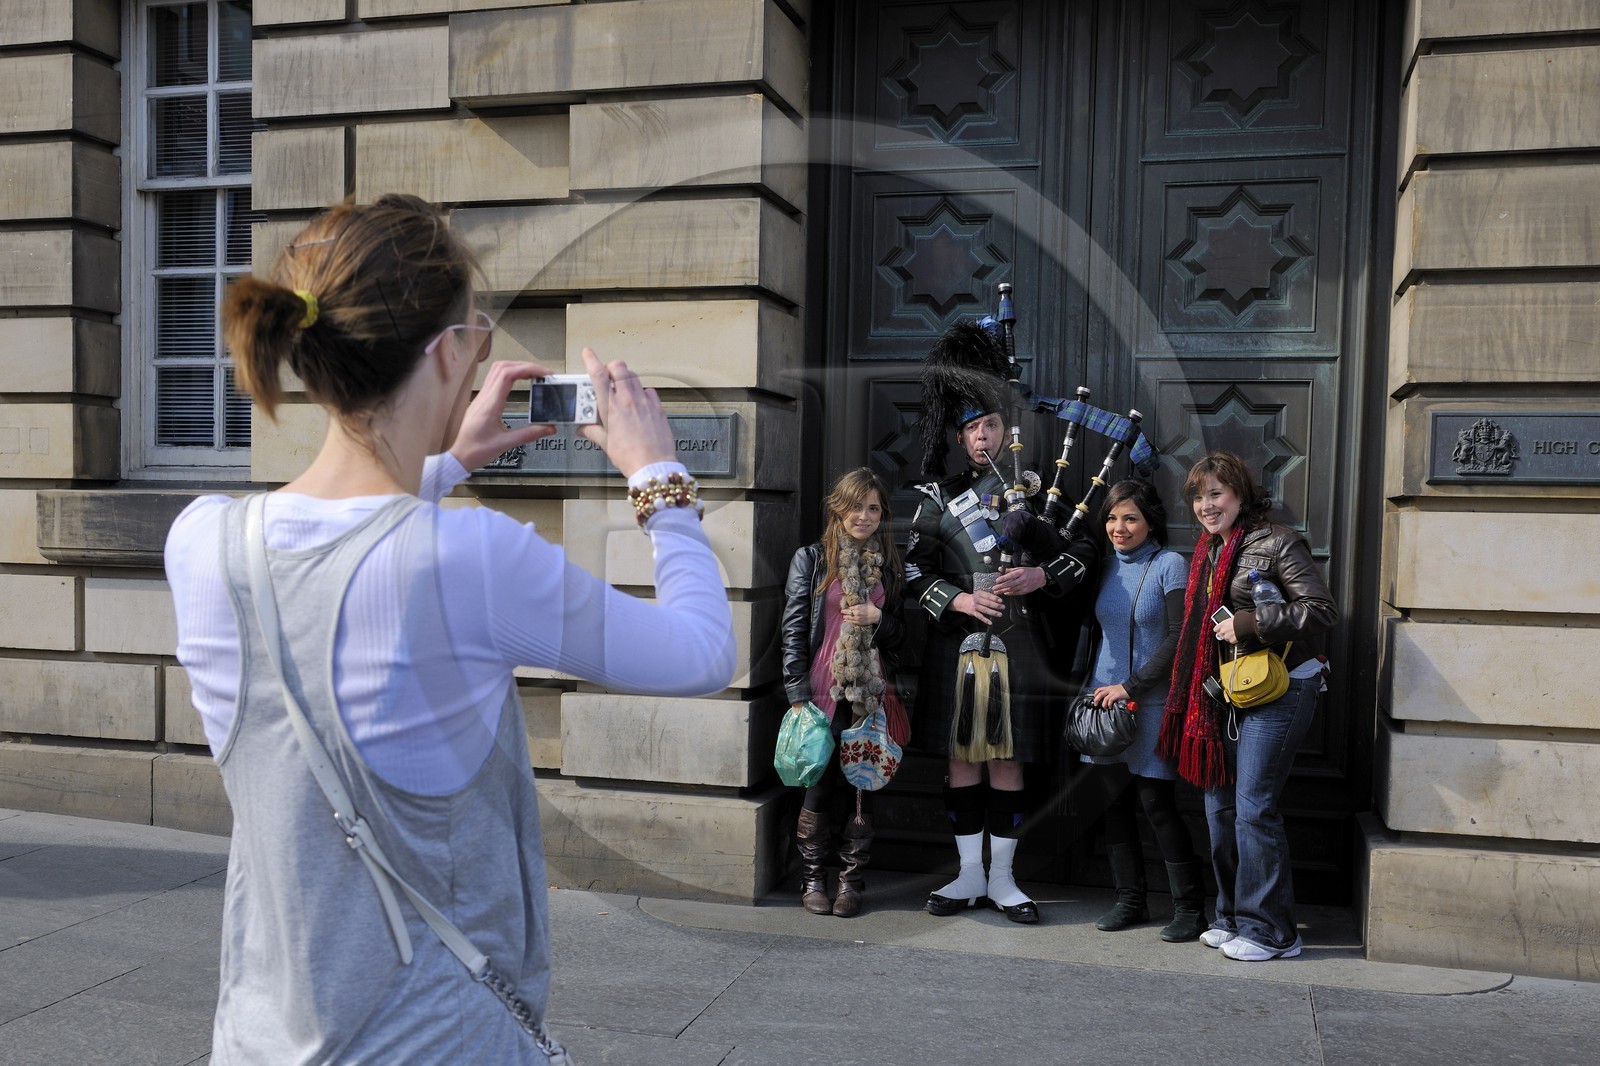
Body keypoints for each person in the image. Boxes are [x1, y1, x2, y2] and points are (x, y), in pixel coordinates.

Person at [165, 195, 735, 1063]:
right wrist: (658, 476)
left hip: (261, 1040)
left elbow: (343, 547)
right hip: (437, 1041)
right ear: (442, 354)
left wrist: (445, 460)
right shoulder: (469, 558)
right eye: (475, 330)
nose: (481, 348)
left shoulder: (203, 539)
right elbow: (701, 653)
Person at [907, 321, 1096, 924]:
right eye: (972, 428)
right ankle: (966, 877)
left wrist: (1043, 577)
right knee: (961, 760)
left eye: (991, 425)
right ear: (961, 439)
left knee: (1009, 762)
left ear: (1006, 431)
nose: (983, 436)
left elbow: (1086, 554)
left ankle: (1005, 880)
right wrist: (958, 601)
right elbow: (910, 569)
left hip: (1021, 648)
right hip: (960, 646)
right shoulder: (939, 497)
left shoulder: (1044, 493)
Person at [1157, 451, 1337, 962]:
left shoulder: (1276, 541)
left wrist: (1250, 623)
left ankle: (1275, 932)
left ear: (1240, 494)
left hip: (1280, 687)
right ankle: (1233, 915)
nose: (1205, 505)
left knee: (1254, 809)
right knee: (1221, 808)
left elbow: (1321, 610)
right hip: (1226, 691)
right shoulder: (1209, 550)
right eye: (1197, 496)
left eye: (1216, 493)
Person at [1077, 479, 1207, 941]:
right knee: (1114, 805)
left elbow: (1179, 638)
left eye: (1130, 517)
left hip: (1148, 700)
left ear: (1150, 520)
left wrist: (1130, 685)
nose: (1119, 527)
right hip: (1104, 703)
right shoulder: (1104, 566)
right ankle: (1130, 900)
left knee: (1157, 805)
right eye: (1112, 517)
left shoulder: (1170, 564)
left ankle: (1190, 910)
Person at [780, 468, 907, 918]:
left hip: (870, 692)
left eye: (874, 508)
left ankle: (850, 883)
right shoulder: (812, 559)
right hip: (819, 690)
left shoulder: (890, 565)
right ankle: (812, 876)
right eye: (857, 506)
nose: (865, 516)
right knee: (816, 784)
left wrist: (880, 619)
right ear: (839, 507)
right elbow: (794, 628)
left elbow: (906, 638)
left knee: (862, 787)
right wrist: (796, 692)